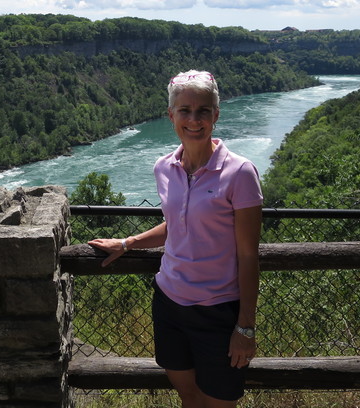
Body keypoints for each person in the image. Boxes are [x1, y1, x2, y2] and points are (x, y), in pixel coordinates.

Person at [88, 70, 263, 408]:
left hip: (218, 311)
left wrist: (245, 327)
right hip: (169, 303)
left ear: (216, 114)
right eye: (185, 110)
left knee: (219, 403)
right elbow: (177, 225)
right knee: (188, 396)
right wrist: (126, 243)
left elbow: (248, 255)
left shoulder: (241, 173)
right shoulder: (164, 167)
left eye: (203, 110)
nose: (194, 119)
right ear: (171, 115)